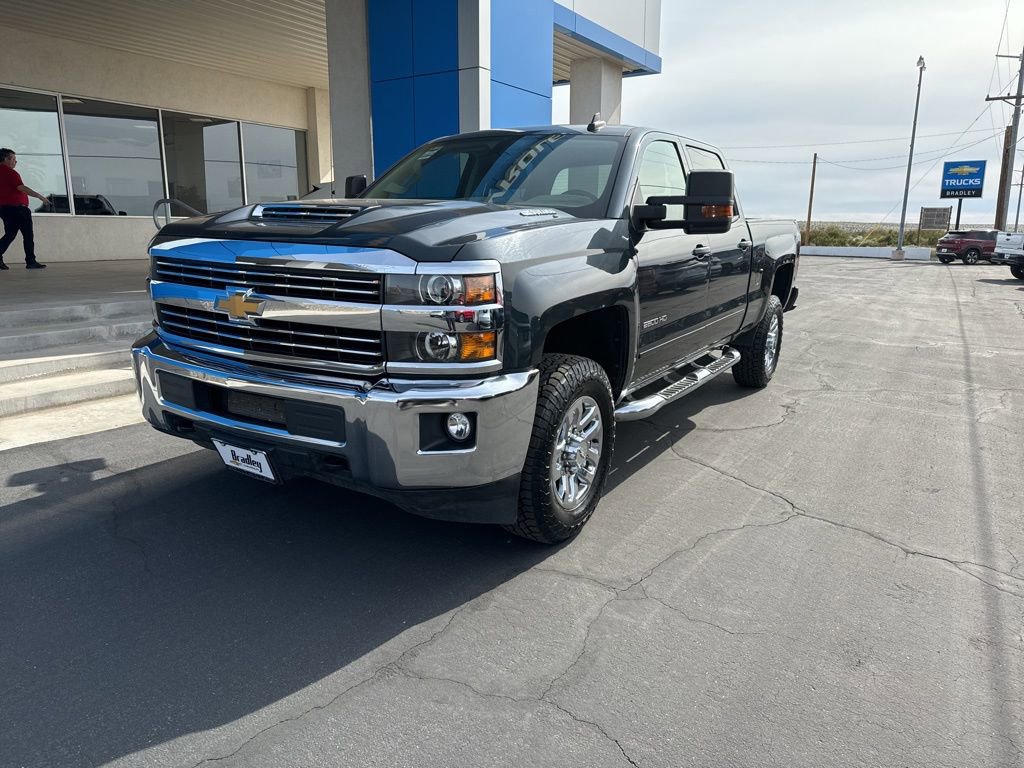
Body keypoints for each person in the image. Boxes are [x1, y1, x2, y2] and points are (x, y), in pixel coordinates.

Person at [0, 148, 48, 269]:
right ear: (6, 159)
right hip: (18, 209)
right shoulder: (10, 172)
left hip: (4, 209)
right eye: (14, 159)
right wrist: (39, 196)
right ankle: (31, 261)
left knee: (10, 234)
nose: (16, 162)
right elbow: (21, 187)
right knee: (28, 235)